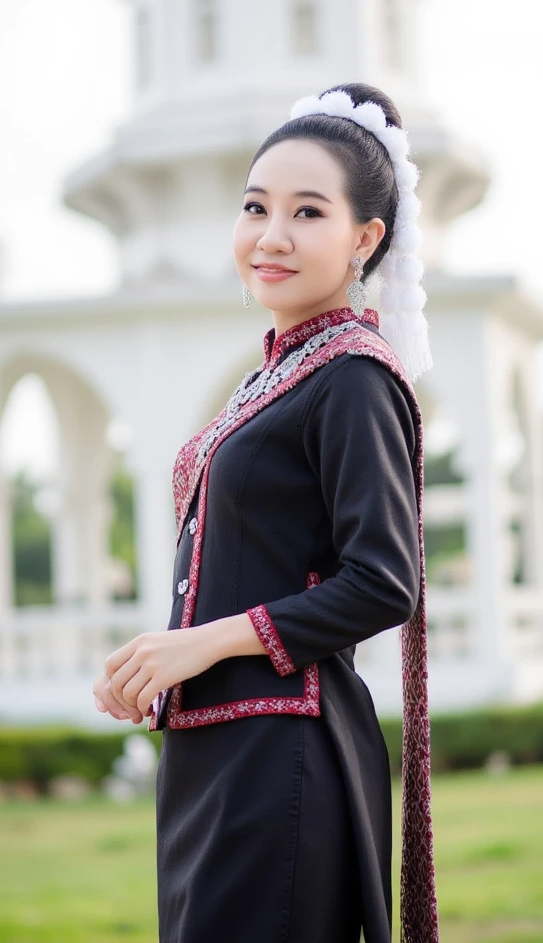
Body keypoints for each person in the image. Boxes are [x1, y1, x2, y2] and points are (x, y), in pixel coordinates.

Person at [93, 82, 439, 943]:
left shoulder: (353, 376)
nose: (271, 235)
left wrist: (202, 642)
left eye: (308, 212)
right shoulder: (275, 376)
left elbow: (382, 583)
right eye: (255, 206)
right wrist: (158, 660)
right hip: (216, 752)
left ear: (368, 238)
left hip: (283, 756)